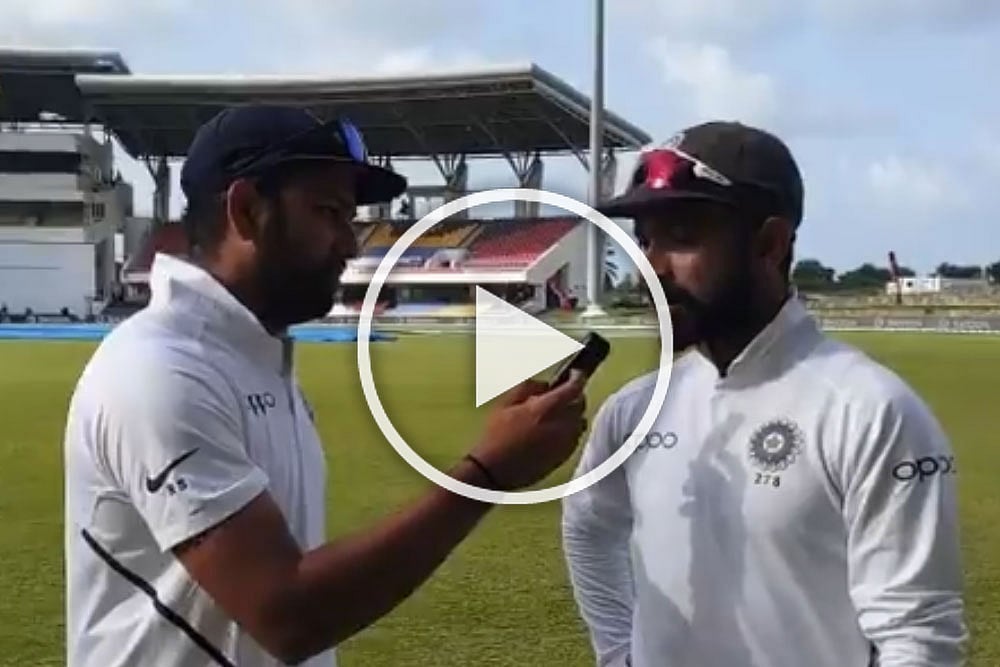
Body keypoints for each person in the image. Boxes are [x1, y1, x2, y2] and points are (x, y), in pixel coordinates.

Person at [63, 105, 589, 667]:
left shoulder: (250, 358)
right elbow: (287, 615)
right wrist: (487, 474)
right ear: (246, 210)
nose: (350, 243)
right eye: (329, 212)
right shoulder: (159, 372)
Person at [561, 121, 968, 667]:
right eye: (646, 241)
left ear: (769, 244)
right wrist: (618, 653)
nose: (651, 269)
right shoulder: (634, 410)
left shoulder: (870, 411)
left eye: (681, 237)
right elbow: (588, 526)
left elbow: (918, 637)